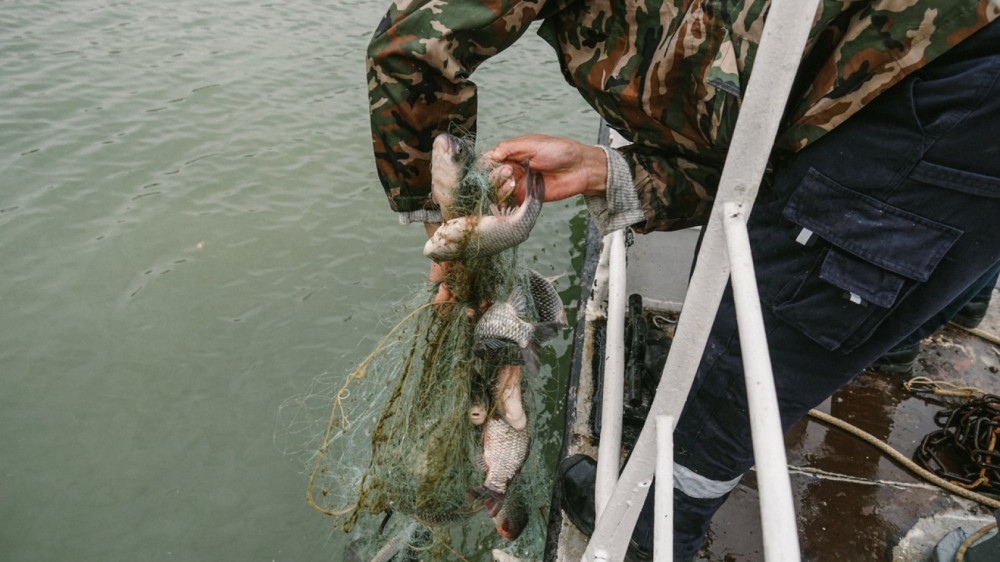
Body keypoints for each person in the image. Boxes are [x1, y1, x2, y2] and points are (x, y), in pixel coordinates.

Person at [367, 1, 1000, 559]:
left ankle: (650, 534)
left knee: (743, 344)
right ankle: (893, 347)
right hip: (888, 93)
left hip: (946, 91)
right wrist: (605, 170)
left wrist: (444, 228)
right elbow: (751, 142)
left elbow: (412, 47)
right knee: (858, 288)